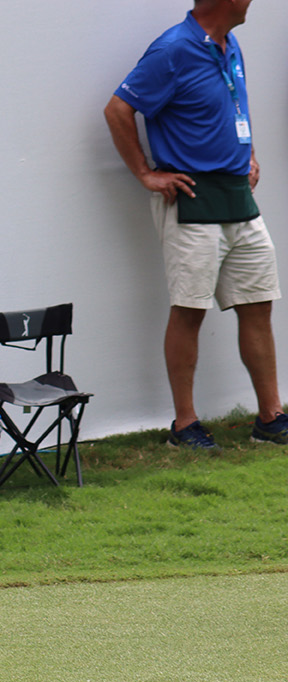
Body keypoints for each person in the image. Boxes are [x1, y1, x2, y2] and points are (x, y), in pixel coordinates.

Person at [104, 0, 287, 450]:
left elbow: (233, 108)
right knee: (190, 309)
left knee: (258, 304)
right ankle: (184, 426)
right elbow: (118, 109)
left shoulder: (229, 44)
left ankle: (271, 419)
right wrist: (146, 173)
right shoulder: (173, 49)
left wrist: (249, 153)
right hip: (191, 199)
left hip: (238, 198)